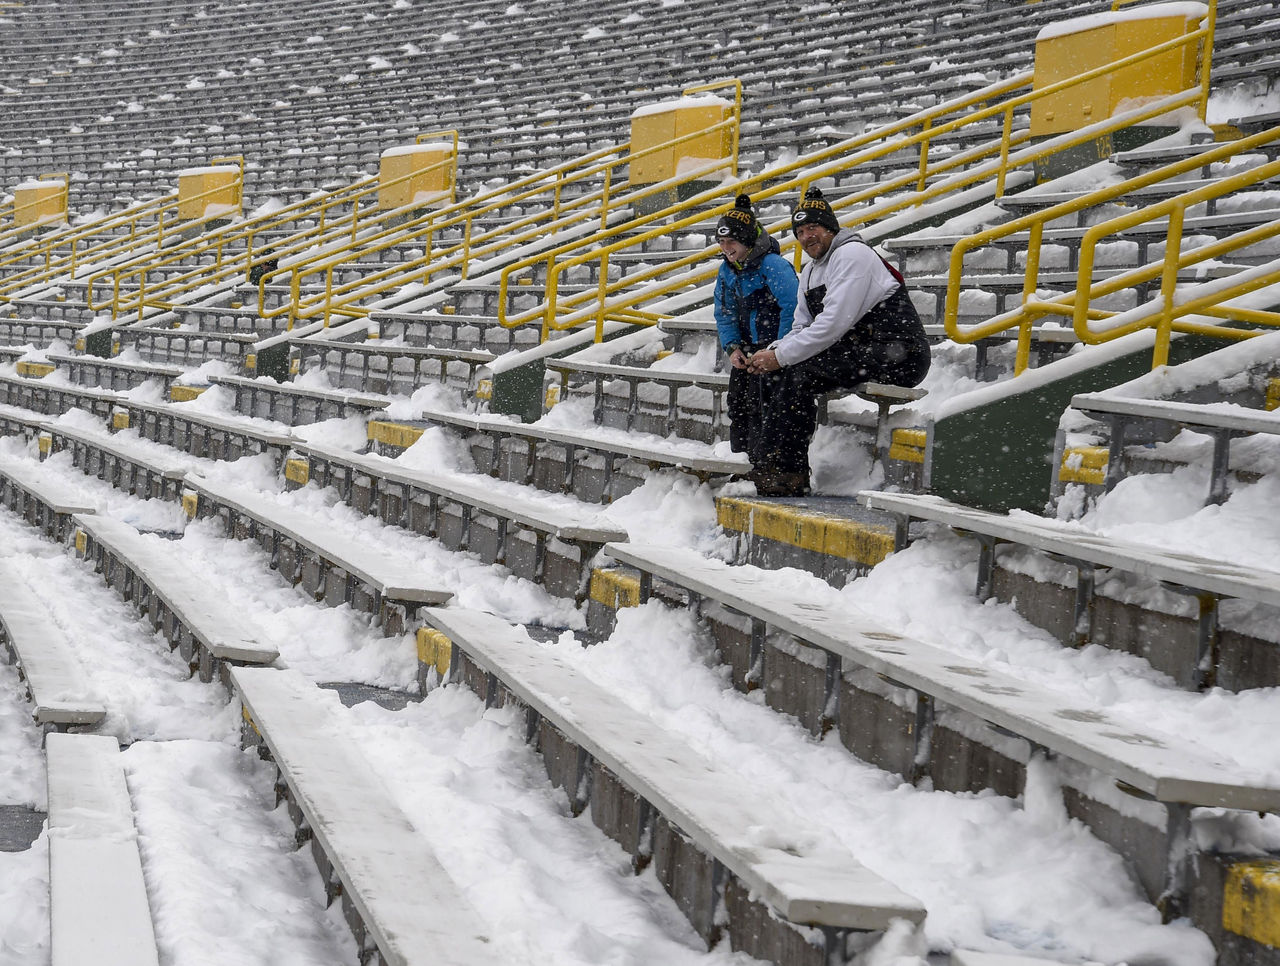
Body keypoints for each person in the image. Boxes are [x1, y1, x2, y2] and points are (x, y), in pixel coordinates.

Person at [744, 186, 931, 497]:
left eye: (813, 228)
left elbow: (832, 324)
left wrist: (783, 356)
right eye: (800, 231)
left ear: (830, 228)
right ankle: (768, 461)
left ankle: (788, 470)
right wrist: (774, 352)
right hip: (857, 350)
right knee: (771, 370)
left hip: (899, 354)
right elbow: (802, 325)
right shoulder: (809, 271)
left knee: (798, 372)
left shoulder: (852, 255)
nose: (806, 237)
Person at [712, 193, 798, 467]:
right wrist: (732, 347)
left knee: (768, 408)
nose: (727, 248)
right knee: (739, 406)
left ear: (748, 241)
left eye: (732, 242)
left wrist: (777, 350)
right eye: (722, 242)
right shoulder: (727, 270)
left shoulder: (773, 265)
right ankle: (741, 462)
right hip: (747, 352)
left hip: (775, 354)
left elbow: (793, 307)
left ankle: (766, 466)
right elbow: (724, 312)